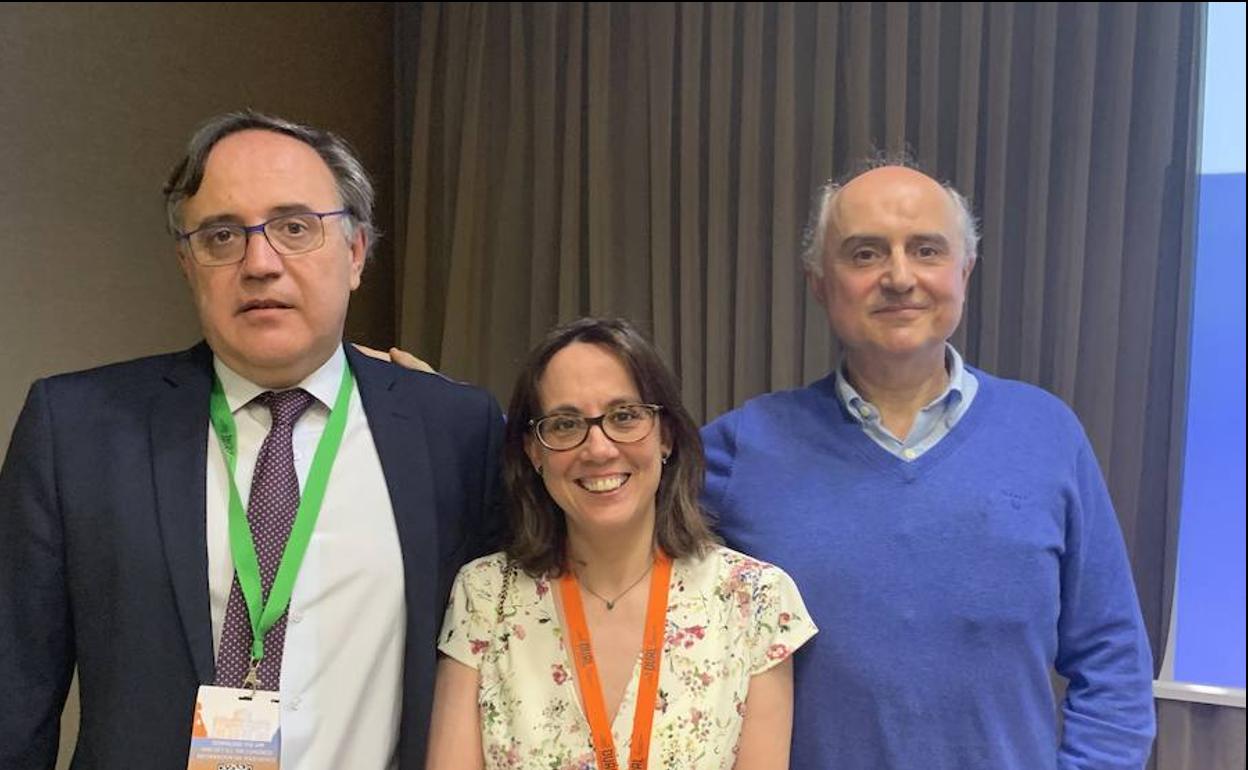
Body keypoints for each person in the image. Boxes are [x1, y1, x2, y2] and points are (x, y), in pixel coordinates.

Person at [0, 110, 503, 769]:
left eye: (295, 227)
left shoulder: (456, 432)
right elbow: (15, 698)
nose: (260, 263)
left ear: (355, 253)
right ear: (187, 263)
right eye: (221, 235)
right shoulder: (77, 430)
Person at [700, 162, 1157, 768]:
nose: (899, 277)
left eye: (926, 250)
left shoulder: (1048, 434)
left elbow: (1113, 661)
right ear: (820, 283)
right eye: (865, 254)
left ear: (964, 272)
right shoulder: (742, 449)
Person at [425, 318, 816, 770]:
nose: (599, 449)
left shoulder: (754, 601)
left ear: (665, 435)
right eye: (565, 424)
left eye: (624, 416)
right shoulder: (485, 596)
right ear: (534, 451)